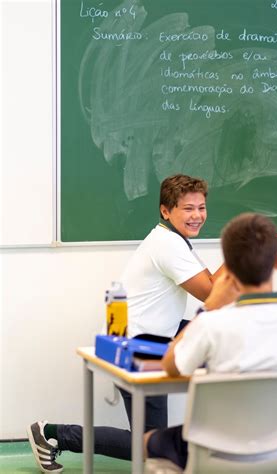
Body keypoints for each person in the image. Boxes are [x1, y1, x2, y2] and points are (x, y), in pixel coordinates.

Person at [27, 174, 224, 473]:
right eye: (188, 209)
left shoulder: (175, 239)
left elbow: (210, 283)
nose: (197, 215)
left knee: (222, 333)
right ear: (166, 211)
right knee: (149, 445)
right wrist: (243, 255)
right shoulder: (168, 245)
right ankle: (51, 433)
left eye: (201, 207)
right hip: (138, 345)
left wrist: (245, 254)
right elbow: (212, 294)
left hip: (158, 334)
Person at [143, 212, 277, 469]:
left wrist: (208, 307)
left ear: (229, 267)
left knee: (146, 439)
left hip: (214, 453)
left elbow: (170, 365)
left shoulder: (209, 324)